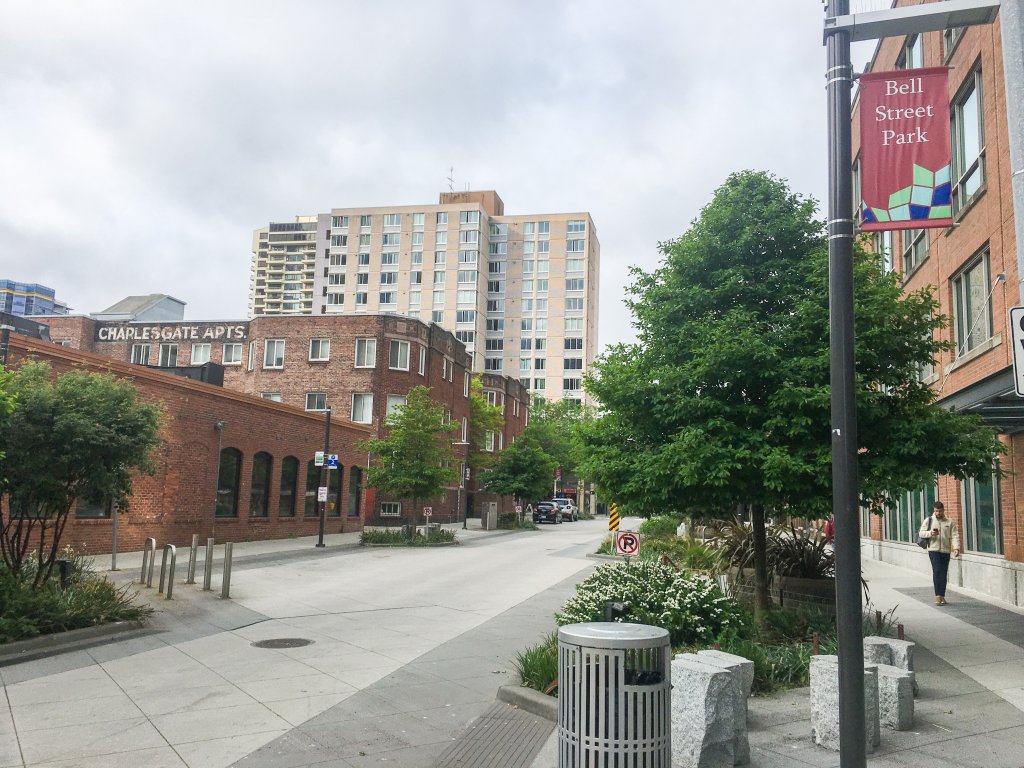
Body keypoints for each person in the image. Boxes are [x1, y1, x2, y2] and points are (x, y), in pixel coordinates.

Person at [919, 501, 960, 605]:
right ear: (934, 510)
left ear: (943, 510)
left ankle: (942, 596)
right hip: (933, 550)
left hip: (945, 551)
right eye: (936, 511)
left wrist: (956, 548)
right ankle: (937, 596)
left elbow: (955, 535)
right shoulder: (929, 520)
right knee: (937, 571)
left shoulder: (949, 522)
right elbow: (921, 533)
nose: (938, 513)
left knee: (943, 573)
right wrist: (930, 533)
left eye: (940, 511)